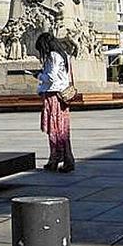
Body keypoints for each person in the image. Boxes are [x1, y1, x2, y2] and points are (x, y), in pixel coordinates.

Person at [36, 32, 75, 173]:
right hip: (62, 96)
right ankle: (67, 158)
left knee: (54, 129)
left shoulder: (52, 56)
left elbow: (51, 77)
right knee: (63, 130)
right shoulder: (64, 55)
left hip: (53, 96)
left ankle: (55, 158)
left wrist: (39, 75)